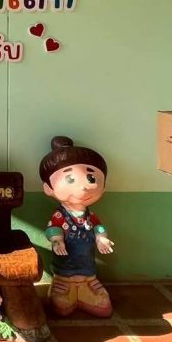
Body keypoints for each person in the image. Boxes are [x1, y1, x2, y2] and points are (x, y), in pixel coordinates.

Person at [39, 135, 114, 318]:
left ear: (103, 186)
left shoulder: (90, 216)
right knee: (62, 303)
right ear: (48, 188)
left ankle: (89, 285)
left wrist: (101, 238)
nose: (84, 188)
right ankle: (62, 285)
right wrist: (57, 240)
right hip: (64, 272)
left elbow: (98, 227)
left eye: (91, 178)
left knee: (103, 302)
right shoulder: (60, 216)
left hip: (88, 270)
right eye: (70, 179)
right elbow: (53, 228)